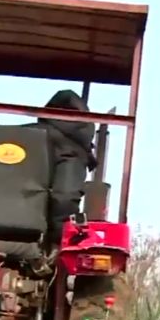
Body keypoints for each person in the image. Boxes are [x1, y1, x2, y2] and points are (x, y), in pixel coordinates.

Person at [29, 90, 98, 233]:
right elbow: (66, 198)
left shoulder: (18, 135)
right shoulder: (73, 150)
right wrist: (62, 234)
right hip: (35, 234)